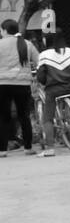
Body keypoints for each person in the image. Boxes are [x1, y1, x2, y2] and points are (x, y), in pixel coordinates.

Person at [35, 32, 70, 157]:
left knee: (47, 118)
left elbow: (40, 76)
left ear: (46, 41)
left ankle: (50, 148)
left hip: (53, 90)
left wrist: (46, 82)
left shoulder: (44, 55)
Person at [0, 20, 39, 157]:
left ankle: (2, 150)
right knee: (24, 116)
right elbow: (39, 61)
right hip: (22, 85)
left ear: (4, 30)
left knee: (3, 117)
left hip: (3, 85)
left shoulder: (0, 44)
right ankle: (28, 148)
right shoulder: (27, 44)